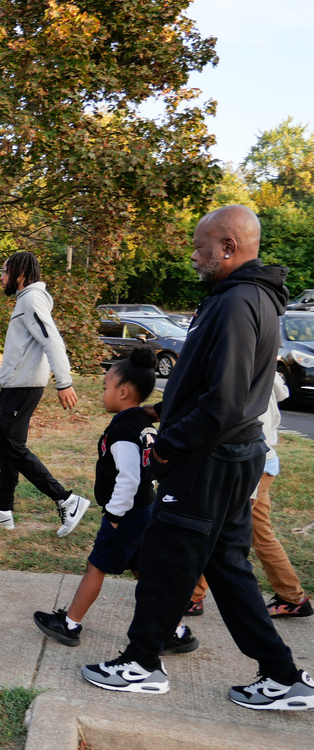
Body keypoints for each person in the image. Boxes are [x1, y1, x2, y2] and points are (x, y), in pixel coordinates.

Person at [82, 205, 314, 711]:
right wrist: (163, 409)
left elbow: (225, 401)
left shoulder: (237, 302)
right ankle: (281, 674)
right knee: (227, 567)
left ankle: (142, 664)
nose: (193, 257)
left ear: (229, 247)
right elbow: (211, 382)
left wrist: (166, 446)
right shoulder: (248, 297)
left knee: (166, 560)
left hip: (210, 460)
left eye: (200, 247)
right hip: (231, 456)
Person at [33, 347, 196, 655]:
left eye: (105, 387)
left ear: (123, 393)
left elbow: (128, 478)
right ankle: (174, 630)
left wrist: (115, 514)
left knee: (97, 565)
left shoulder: (123, 429)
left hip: (129, 512)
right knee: (144, 571)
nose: (102, 392)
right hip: (145, 508)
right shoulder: (142, 423)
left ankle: (69, 623)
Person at [0, 251, 89, 537]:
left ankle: (66, 499)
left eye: (4, 271)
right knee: (5, 445)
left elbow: (52, 340)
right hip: (16, 384)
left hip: (23, 386)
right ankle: (3, 510)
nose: (1, 277)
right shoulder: (26, 301)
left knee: (13, 446)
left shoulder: (32, 300)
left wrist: (64, 382)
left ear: (20, 275)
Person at [186, 373, 311, 619]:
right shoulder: (264, 372)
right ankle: (292, 597)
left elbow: (251, 432)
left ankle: (193, 597)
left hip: (251, 464)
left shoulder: (248, 375)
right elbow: (281, 394)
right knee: (260, 534)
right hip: (261, 462)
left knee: (218, 527)